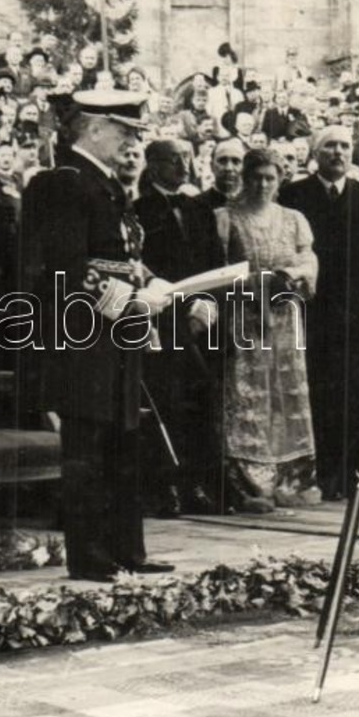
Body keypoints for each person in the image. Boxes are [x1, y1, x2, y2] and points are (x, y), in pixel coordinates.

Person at [20, 90, 176, 580]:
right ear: (92, 128)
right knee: (87, 446)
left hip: (117, 332)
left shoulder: (105, 184)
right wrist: (129, 299)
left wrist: (149, 281)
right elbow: (65, 270)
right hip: (82, 334)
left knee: (123, 441)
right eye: (124, 130)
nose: (132, 140)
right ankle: (90, 558)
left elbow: (119, 256)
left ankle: (127, 550)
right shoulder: (62, 182)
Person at [279, 125, 359, 500]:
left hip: (353, 311)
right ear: (315, 153)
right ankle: (319, 475)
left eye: (344, 146)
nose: (338, 152)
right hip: (311, 310)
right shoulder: (294, 195)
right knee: (316, 391)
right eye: (329, 147)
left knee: (351, 392)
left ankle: (348, 475)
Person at [215, 148, 320, 511]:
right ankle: (250, 486)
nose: (263, 184)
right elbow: (218, 268)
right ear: (245, 178)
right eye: (256, 176)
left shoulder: (293, 219)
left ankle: (291, 480)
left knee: (285, 391)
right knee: (248, 392)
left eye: (270, 178)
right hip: (244, 314)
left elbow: (308, 260)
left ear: (280, 180)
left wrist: (292, 276)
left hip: (283, 315)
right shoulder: (226, 217)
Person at [134, 138, 224, 515]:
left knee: (202, 399)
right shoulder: (138, 209)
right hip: (160, 318)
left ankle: (197, 485)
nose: (183, 166)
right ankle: (165, 486)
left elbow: (216, 263)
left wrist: (208, 304)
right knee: (166, 402)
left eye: (186, 158)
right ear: (153, 165)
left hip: (200, 316)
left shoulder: (198, 208)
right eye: (173, 160)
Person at [191, 137, 244, 212]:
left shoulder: (253, 204)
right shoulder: (195, 205)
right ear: (211, 165)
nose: (228, 168)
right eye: (222, 161)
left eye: (236, 162)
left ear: (245, 167)